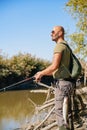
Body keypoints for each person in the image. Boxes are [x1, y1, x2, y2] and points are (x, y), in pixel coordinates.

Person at [34, 26, 75, 130]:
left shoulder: (59, 46)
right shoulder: (66, 46)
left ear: (60, 33)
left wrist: (41, 73)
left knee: (60, 114)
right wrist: (41, 74)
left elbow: (54, 66)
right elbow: (57, 70)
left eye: (53, 31)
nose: (51, 33)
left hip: (62, 84)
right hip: (68, 83)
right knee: (67, 114)